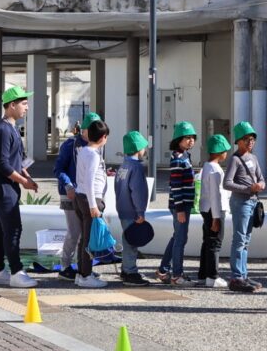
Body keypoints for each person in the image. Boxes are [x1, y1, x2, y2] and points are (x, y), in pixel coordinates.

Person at [0, 86, 39, 289]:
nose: (27, 108)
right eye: (24, 104)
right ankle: (17, 272)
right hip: (1, 185)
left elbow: (17, 160)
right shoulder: (2, 130)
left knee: (0, 229)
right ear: (12, 105)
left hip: (5, 185)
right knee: (13, 228)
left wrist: (26, 176)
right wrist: (23, 181)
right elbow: (2, 164)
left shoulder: (11, 128)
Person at [53, 111, 100, 282]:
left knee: (87, 233)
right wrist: (68, 185)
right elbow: (58, 169)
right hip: (71, 194)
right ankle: (65, 266)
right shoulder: (70, 145)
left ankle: (84, 268)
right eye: (93, 129)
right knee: (74, 232)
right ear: (84, 130)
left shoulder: (94, 147)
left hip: (86, 195)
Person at [224, 121, 266, 292]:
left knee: (246, 240)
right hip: (241, 202)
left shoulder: (253, 158)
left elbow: (261, 177)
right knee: (239, 239)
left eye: (252, 139)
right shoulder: (235, 160)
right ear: (238, 141)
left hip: (252, 201)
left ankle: (243, 274)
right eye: (247, 139)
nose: (250, 142)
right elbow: (227, 183)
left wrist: (261, 185)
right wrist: (249, 189)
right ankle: (236, 276)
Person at [156, 121, 198, 287]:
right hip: (180, 205)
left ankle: (163, 270)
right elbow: (176, 185)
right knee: (181, 239)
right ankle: (177, 275)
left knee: (177, 237)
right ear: (178, 140)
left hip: (184, 204)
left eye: (192, 137)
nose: (190, 141)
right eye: (187, 138)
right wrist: (180, 208)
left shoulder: (186, 156)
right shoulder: (177, 159)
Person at [75, 118, 110, 288]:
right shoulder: (94, 155)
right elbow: (89, 180)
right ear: (103, 137)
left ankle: (81, 272)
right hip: (91, 199)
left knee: (84, 237)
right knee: (90, 239)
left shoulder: (83, 150)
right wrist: (93, 205)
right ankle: (86, 275)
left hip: (80, 196)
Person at [116, 130, 151, 286]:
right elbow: (138, 191)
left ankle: (125, 268)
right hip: (133, 211)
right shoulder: (136, 167)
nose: (144, 150)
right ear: (138, 149)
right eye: (143, 147)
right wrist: (140, 212)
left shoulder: (123, 165)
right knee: (132, 243)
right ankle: (130, 271)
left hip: (122, 209)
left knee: (127, 239)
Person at [198, 134, 231, 289]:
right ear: (219, 152)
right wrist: (216, 218)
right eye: (225, 150)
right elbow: (215, 195)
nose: (226, 154)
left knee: (207, 242)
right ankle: (212, 276)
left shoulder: (206, 166)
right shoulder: (215, 170)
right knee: (215, 243)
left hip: (206, 208)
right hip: (215, 210)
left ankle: (203, 274)